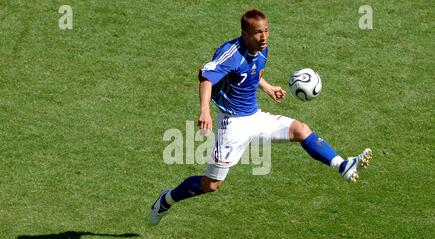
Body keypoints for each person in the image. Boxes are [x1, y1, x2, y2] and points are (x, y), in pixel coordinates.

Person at [149, 9, 372, 225]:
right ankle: (166, 199)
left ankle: (342, 165)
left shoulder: (262, 49)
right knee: (211, 185)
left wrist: (266, 87)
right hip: (232, 125)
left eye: (266, 30)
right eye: (258, 32)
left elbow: (254, 72)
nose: (263, 37)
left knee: (301, 130)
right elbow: (206, 77)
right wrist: (205, 111)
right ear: (245, 34)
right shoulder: (231, 54)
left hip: (255, 117)